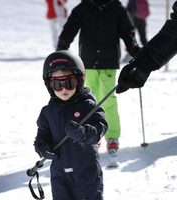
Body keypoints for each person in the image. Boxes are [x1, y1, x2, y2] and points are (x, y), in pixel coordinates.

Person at [56, 0, 140, 167]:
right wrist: (62, 47)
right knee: (88, 102)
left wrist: (134, 49)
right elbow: (70, 28)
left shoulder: (117, 9)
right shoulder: (84, 7)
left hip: (108, 62)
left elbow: (127, 32)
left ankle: (112, 137)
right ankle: (91, 137)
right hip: (87, 62)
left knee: (108, 101)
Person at [34, 50, 108, 200]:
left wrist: (83, 133)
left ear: (79, 80)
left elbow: (100, 127)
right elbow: (42, 136)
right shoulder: (48, 112)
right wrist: (43, 148)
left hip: (86, 172)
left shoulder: (88, 105)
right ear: (49, 85)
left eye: (69, 83)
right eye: (57, 84)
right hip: (60, 175)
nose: (64, 89)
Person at [116, 1, 177, 94]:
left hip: (138, 19)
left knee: (143, 38)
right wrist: (142, 64)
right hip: (138, 19)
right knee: (143, 38)